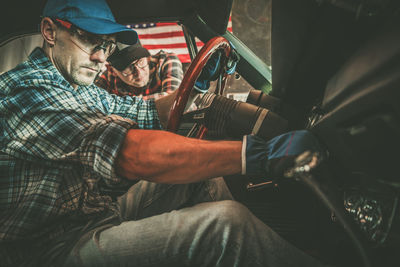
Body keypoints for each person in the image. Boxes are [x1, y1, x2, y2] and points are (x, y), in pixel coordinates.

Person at [0, 0, 327, 266]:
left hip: (90, 208)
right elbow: (129, 152)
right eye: (89, 40)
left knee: (199, 177)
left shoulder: (76, 85)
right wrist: (257, 154)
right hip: (49, 248)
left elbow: (142, 113)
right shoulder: (25, 91)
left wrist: (193, 84)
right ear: (49, 31)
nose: (101, 58)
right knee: (224, 227)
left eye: (107, 46)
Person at [95, 42, 183, 100]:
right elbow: (95, 107)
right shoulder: (107, 78)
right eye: (128, 68)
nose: (139, 73)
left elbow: (174, 100)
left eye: (140, 61)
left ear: (147, 57)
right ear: (112, 70)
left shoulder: (166, 60)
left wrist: (119, 105)